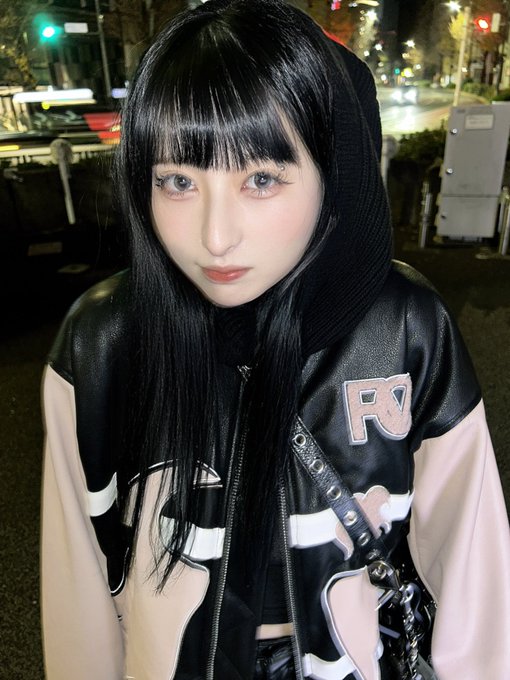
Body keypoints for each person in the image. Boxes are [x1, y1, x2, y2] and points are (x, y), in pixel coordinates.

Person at [40, 0, 510, 678]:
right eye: (178, 181)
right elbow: (78, 587)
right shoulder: (102, 341)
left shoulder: (405, 326)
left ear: (332, 171)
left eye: (260, 179)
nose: (215, 237)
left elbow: (473, 575)